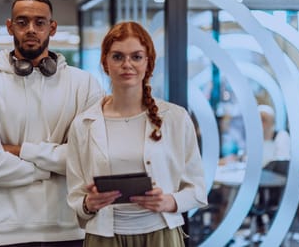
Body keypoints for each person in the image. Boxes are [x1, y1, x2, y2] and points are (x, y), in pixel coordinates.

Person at [0, 0, 103, 247]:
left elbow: (89, 158)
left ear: (53, 27)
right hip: (4, 232)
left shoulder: (84, 84)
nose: (31, 29)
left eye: (39, 22)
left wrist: (19, 151)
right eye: (22, 22)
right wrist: (55, 167)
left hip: (70, 228)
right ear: (9, 26)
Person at [66, 21, 207, 247]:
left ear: (148, 62)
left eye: (136, 57)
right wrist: (88, 203)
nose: (127, 64)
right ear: (105, 62)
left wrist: (169, 201)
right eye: (118, 56)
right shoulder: (83, 124)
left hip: (161, 235)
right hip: (104, 238)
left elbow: (198, 190)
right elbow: (75, 195)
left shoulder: (176, 118)